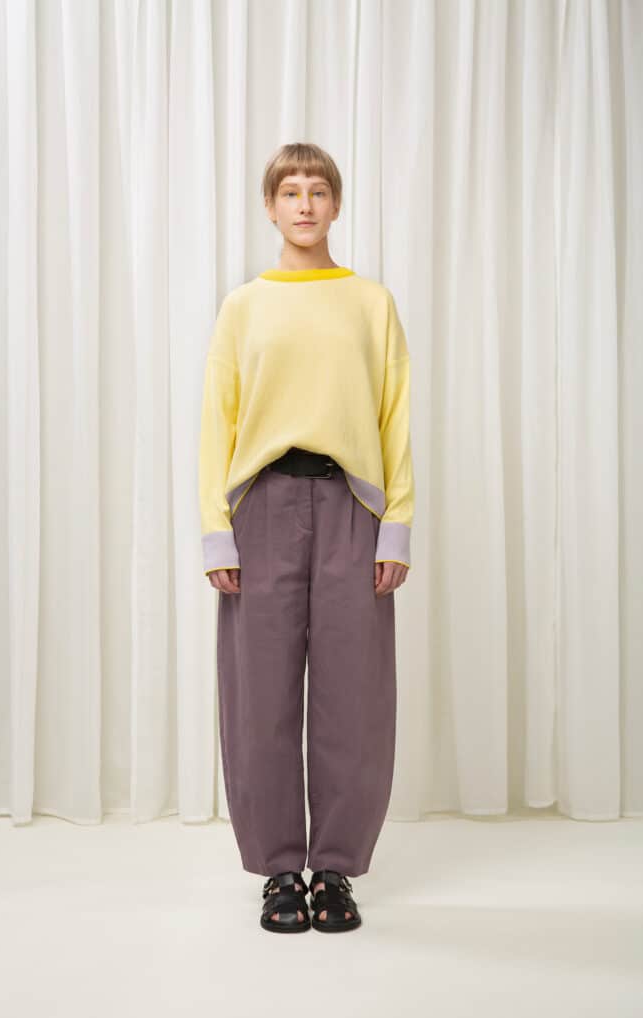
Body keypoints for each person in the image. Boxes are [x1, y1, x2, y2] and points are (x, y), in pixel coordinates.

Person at [198, 142, 414, 934]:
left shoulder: (370, 302)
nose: (304, 204)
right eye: (289, 191)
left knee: (355, 696)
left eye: (318, 191)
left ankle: (337, 868)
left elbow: (394, 416)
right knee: (258, 694)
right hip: (260, 506)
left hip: (353, 504)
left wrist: (396, 526)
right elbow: (217, 422)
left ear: (336, 204)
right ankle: (280, 870)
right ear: (270, 206)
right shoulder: (244, 306)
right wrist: (217, 533)